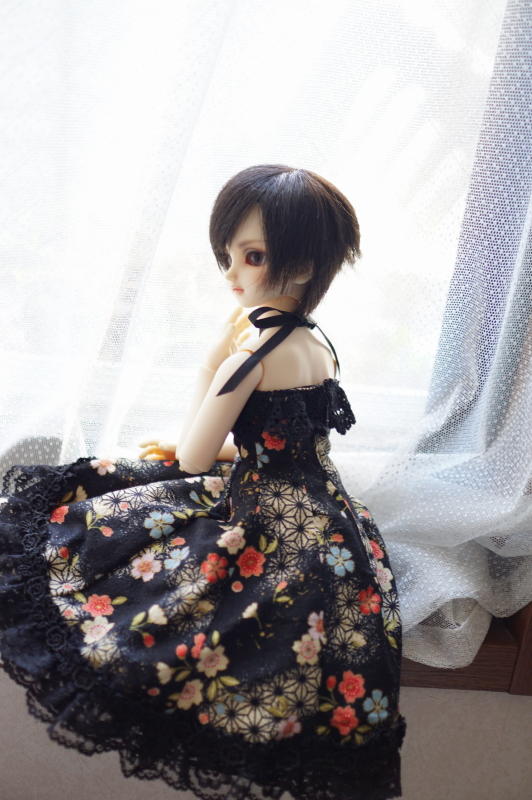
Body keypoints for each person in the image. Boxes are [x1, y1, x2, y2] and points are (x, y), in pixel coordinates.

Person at [0, 165, 406, 800]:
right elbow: (286, 439)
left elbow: (192, 457)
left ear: (302, 265)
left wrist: (211, 363)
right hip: (334, 527)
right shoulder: (318, 344)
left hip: (267, 518)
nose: (232, 274)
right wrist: (224, 444)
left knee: (96, 527)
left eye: (252, 256)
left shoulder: (251, 356)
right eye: (229, 256)